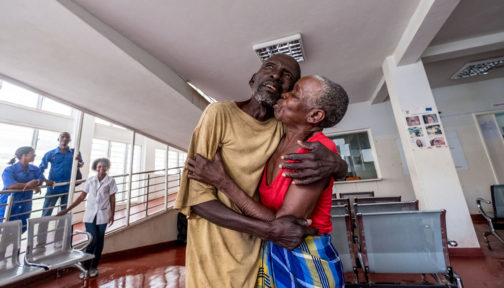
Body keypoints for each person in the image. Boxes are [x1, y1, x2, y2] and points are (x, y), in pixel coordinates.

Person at [175, 54, 348, 287]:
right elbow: (196, 198)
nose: (276, 76)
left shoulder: (284, 129)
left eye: (288, 78)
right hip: (215, 250)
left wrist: (339, 165)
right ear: (253, 79)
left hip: (263, 252)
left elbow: (285, 221)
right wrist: (269, 231)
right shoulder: (219, 114)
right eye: (269, 67)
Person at [58, 158, 116, 279]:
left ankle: (94, 267)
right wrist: (67, 210)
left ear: (107, 168)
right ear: (96, 167)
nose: (102, 169)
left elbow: (112, 198)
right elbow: (81, 197)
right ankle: (85, 266)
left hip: (103, 214)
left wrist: (112, 214)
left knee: (100, 242)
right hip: (90, 215)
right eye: (99, 166)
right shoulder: (90, 180)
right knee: (92, 239)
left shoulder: (110, 181)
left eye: (104, 167)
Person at [0, 147, 52, 231]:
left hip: (25, 204)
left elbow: (41, 178)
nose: (35, 155)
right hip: (9, 204)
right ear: (24, 155)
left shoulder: (34, 169)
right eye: (32, 153)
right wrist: (28, 185)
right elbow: (10, 185)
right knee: (4, 229)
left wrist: (36, 182)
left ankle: (15, 243)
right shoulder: (9, 170)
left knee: (21, 229)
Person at [39, 132, 83, 216]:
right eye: (62, 136)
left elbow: (81, 164)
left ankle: (62, 229)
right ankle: (43, 229)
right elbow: (40, 169)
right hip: (53, 188)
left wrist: (77, 161)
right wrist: (45, 180)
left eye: (67, 137)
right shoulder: (50, 154)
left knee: (65, 213)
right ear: (58, 139)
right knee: (46, 213)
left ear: (70, 140)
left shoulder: (75, 152)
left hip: (68, 188)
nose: (65, 138)